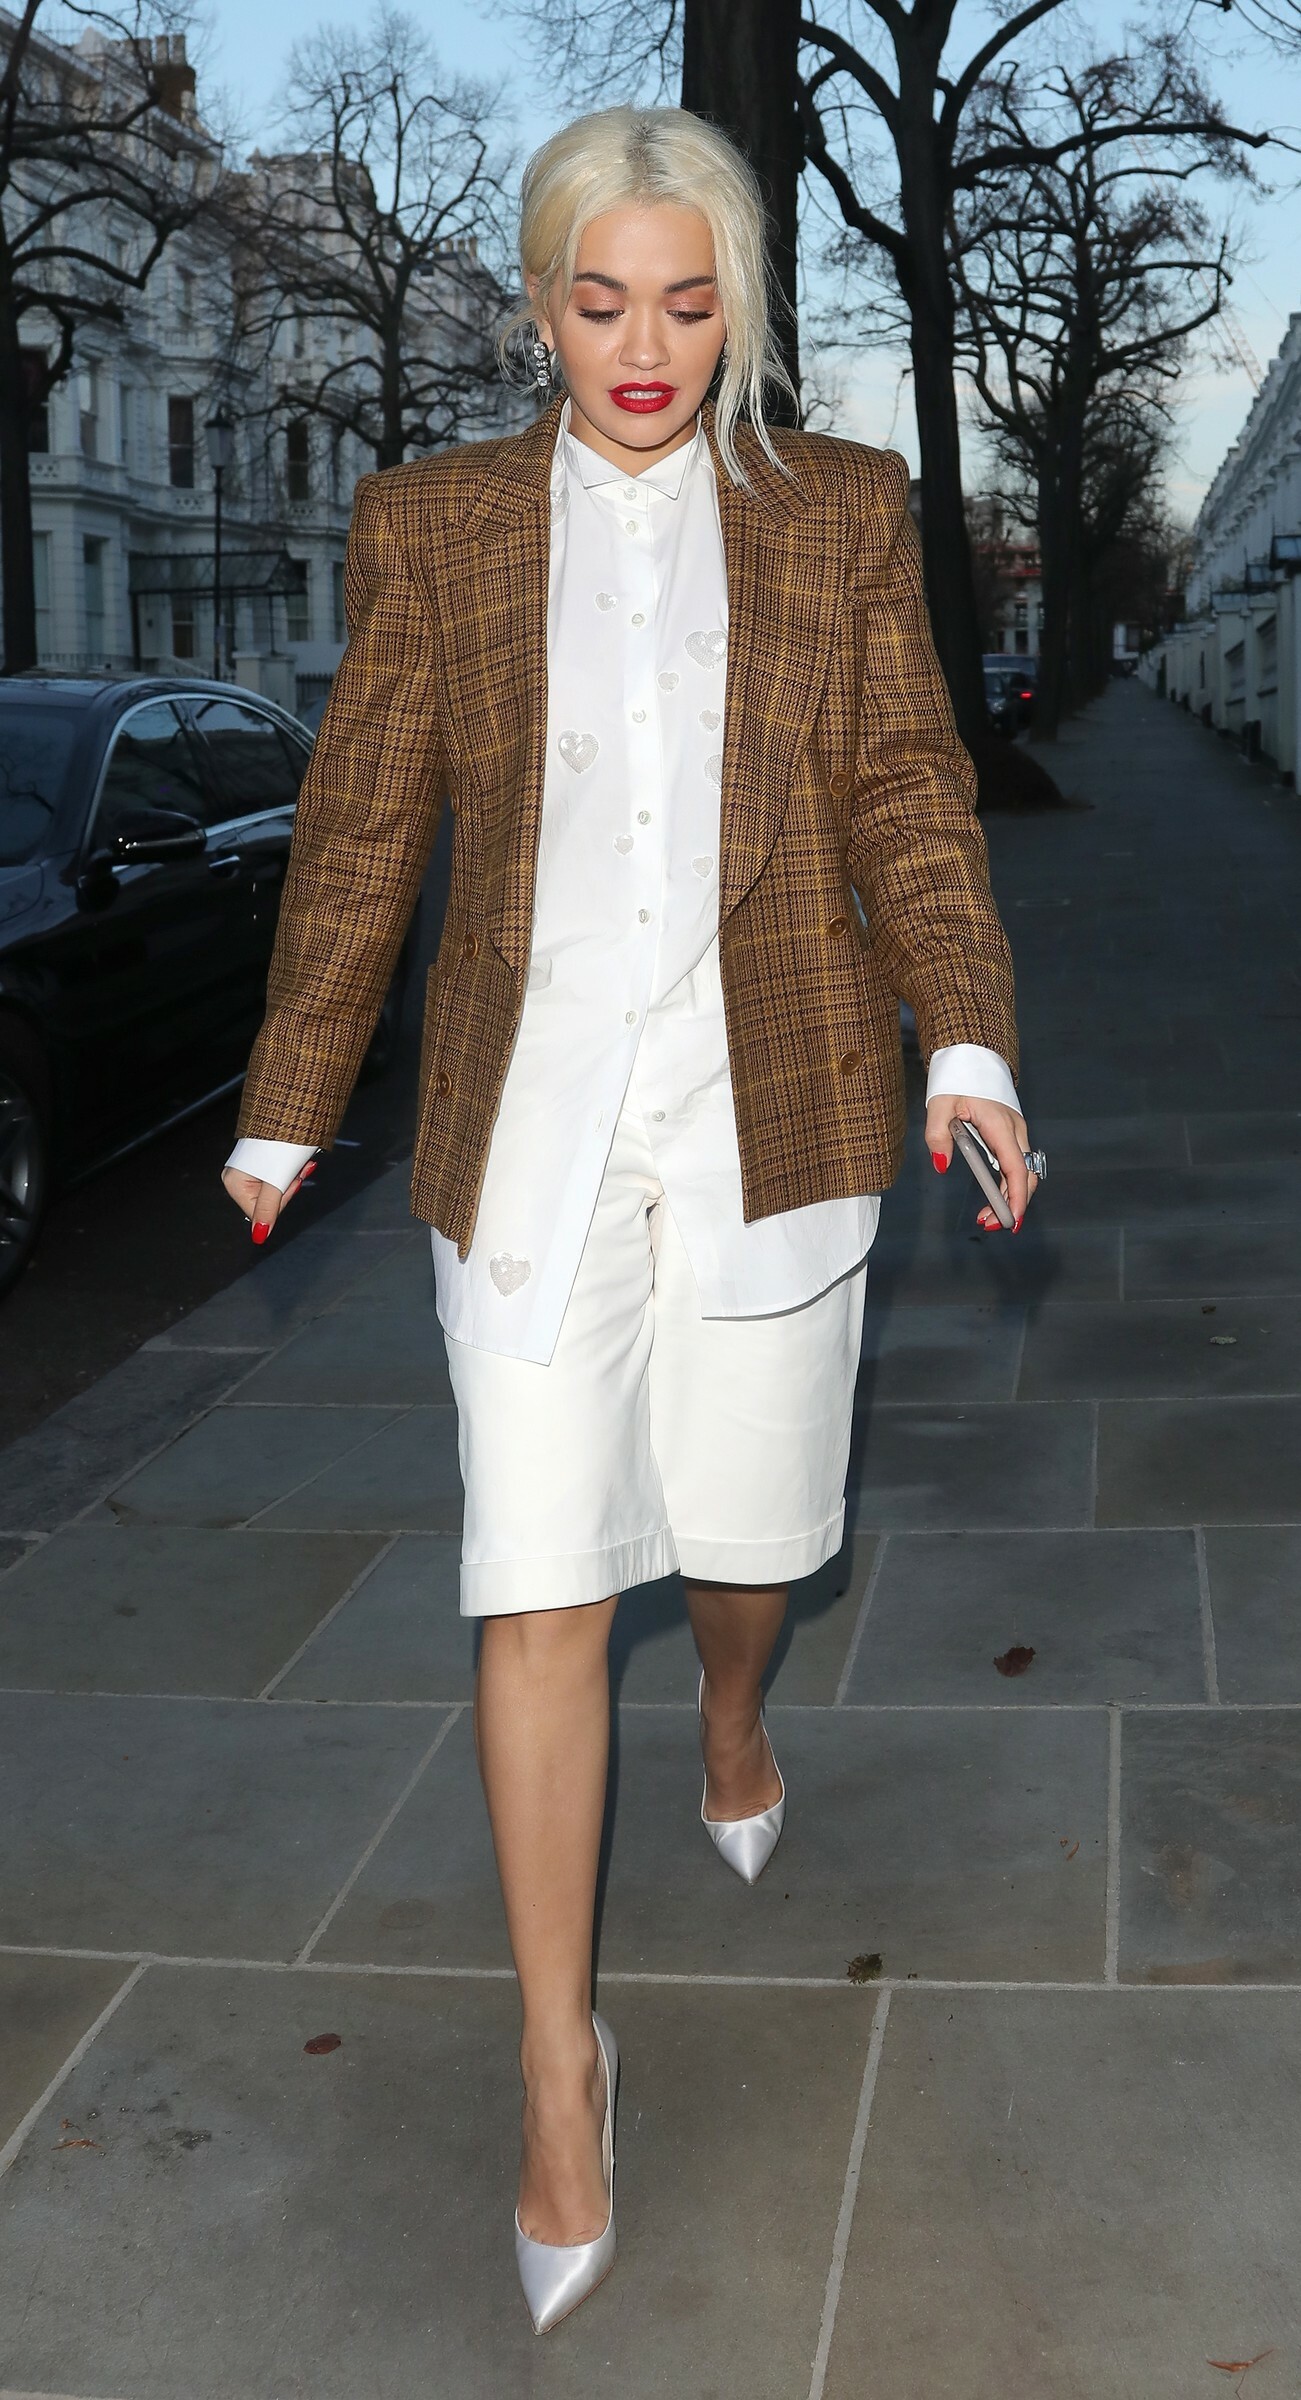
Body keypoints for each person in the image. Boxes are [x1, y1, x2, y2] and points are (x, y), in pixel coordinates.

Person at [222, 103, 1043, 2337]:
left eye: (689, 304)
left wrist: (966, 1042)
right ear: (539, 305)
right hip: (531, 1123)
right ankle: (558, 2071)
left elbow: (906, 789)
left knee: (751, 1551)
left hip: (773, 1091)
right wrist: (291, 1102)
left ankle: (738, 1716)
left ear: (741, 310)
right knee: (540, 1576)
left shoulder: (839, 510)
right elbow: (366, 819)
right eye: (601, 303)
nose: (646, 347)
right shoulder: (435, 525)